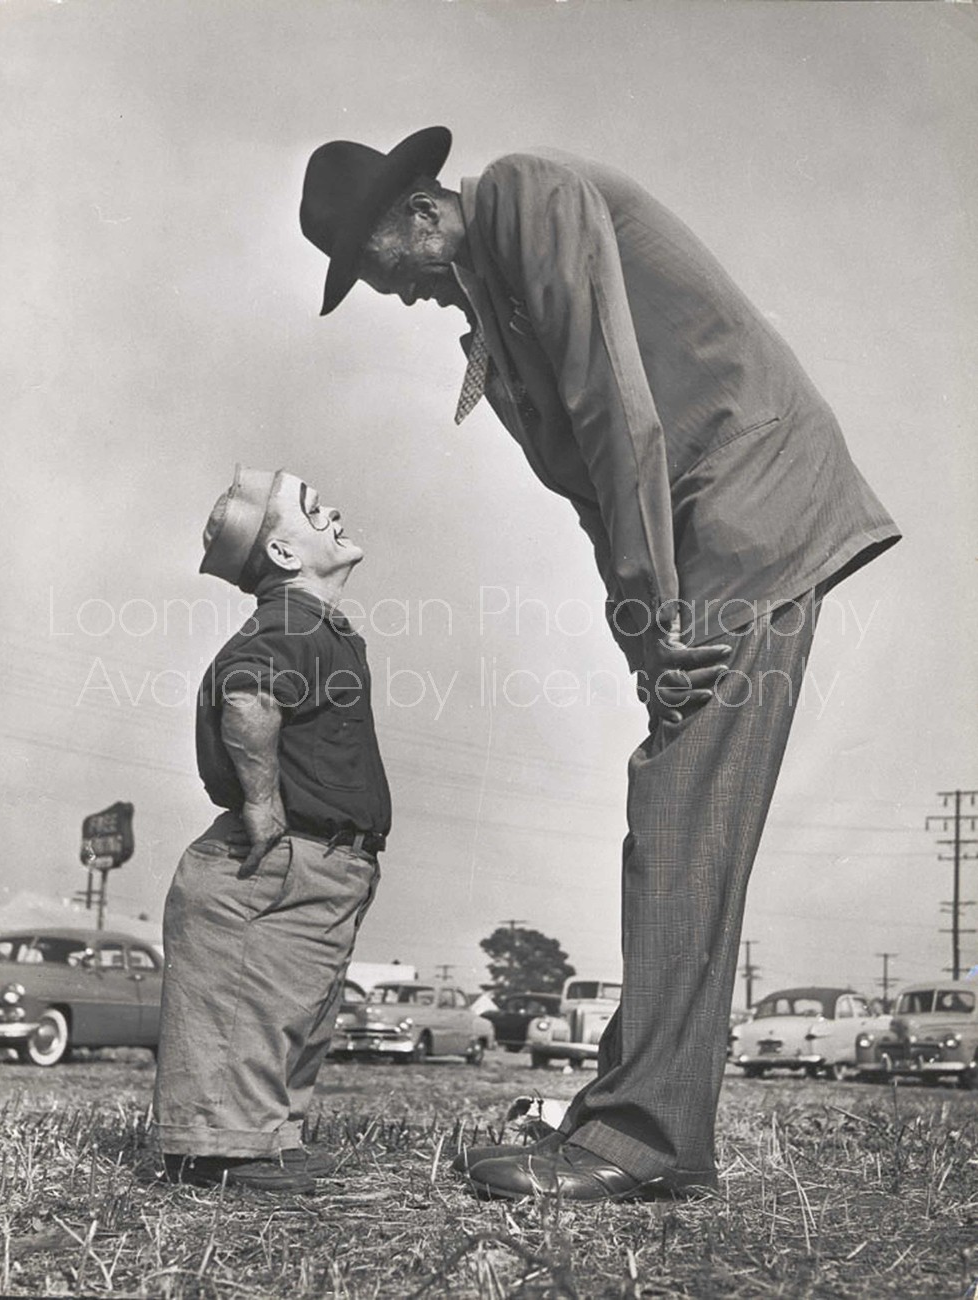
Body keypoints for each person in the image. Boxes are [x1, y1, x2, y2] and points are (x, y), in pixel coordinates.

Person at [298, 128, 900, 1202]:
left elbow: (620, 413)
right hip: (698, 536)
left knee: (678, 807)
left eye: (388, 272)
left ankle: (639, 1136)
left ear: (423, 215)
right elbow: (588, 487)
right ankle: (633, 1116)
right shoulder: (489, 309)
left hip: (748, 510)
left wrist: (659, 609)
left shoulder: (529, 198)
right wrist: (643, 634)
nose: (401, 298)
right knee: (684, 812)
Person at [153, 465, 390, 1193]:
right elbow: (249, 694)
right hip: (275, 858)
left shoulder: (315, 625)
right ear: (285, 556)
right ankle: (221, 1154)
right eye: (314, 509)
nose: (334, 511)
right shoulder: (291, 622)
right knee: (244, 1010)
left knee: (288, 1010)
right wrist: (261, 804)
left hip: (320, 862)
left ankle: (266, 1141)